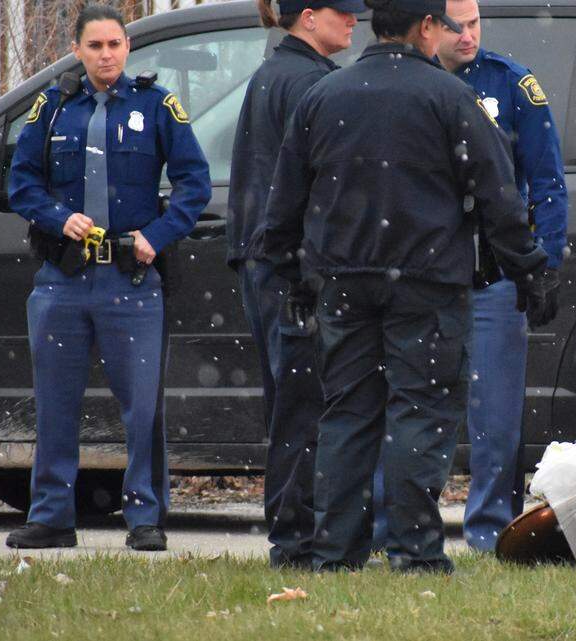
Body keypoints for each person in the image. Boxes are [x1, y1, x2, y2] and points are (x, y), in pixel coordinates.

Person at [260, 0, 555, 573]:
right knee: (420, 412)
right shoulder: (450, 97)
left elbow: (285, 200)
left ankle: (336, 553)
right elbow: (497, 193)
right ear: (425, 27)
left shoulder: (324, 95)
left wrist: (294, 275)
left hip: (344, 280)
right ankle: (415, 553)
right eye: (441, 25)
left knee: (347, 413)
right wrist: (529, 268)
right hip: (428, 282)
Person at [7, 3, 211, 550]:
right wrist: (57, 218)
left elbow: (194, 182)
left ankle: (145, 517)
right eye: (94, 46)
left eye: (114, 45)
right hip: (64, 278)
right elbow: (20, 183)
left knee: (142, 407)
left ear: (128, 47)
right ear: (76, 50)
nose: (105, 55)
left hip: (130, 279)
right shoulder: (53, 109)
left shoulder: (156, 105)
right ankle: (52, 516)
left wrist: (158, 235)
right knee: (55, 402)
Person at [228, 0, 365, 570]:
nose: (354, 19)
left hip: (265, 262)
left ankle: (295, 533)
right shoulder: (310, 82)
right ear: (308, 16)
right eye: (343, 10)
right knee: (305, 406)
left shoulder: (273, 73)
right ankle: (297, 540)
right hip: (293, 268)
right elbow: (316, 185)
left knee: (289, 404)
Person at [434, 0, 566, 551]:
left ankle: (489, 531)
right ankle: (400, 529)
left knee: (496, 417)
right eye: (456, 26)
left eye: (475, 23)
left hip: (494, 273)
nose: (468, 35)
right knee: (418, 410)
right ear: (429, 25)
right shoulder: (414, 81)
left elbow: (547, 180)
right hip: (430, 271)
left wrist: (546, 263)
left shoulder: (510, 84)